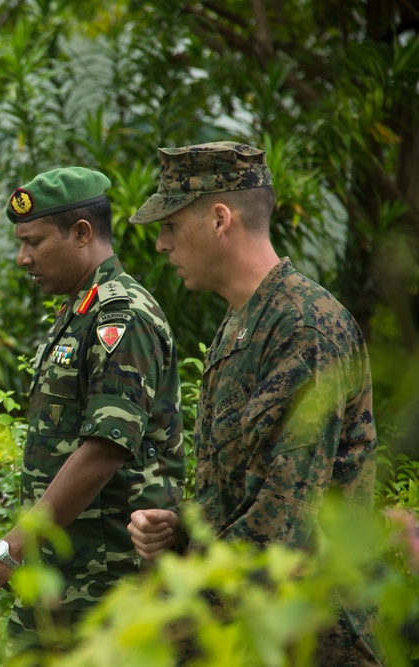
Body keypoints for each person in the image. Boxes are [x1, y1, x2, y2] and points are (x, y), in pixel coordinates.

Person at [127, 141, 381, 665]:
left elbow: (284, 522)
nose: (160, 245)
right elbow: (238, 488)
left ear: (220, 219)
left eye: (170, 225)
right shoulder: (242, 322)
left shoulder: (303, 328)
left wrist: (172, 621)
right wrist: (181, 527)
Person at [0, 166, 185, 652]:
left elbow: (104, 450)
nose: (22, 258)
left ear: (82, 234)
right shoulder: (80, 310)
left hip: (107, 591)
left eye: (34, 242)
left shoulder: (121, 315)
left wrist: (4, 554)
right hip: (61, 584)